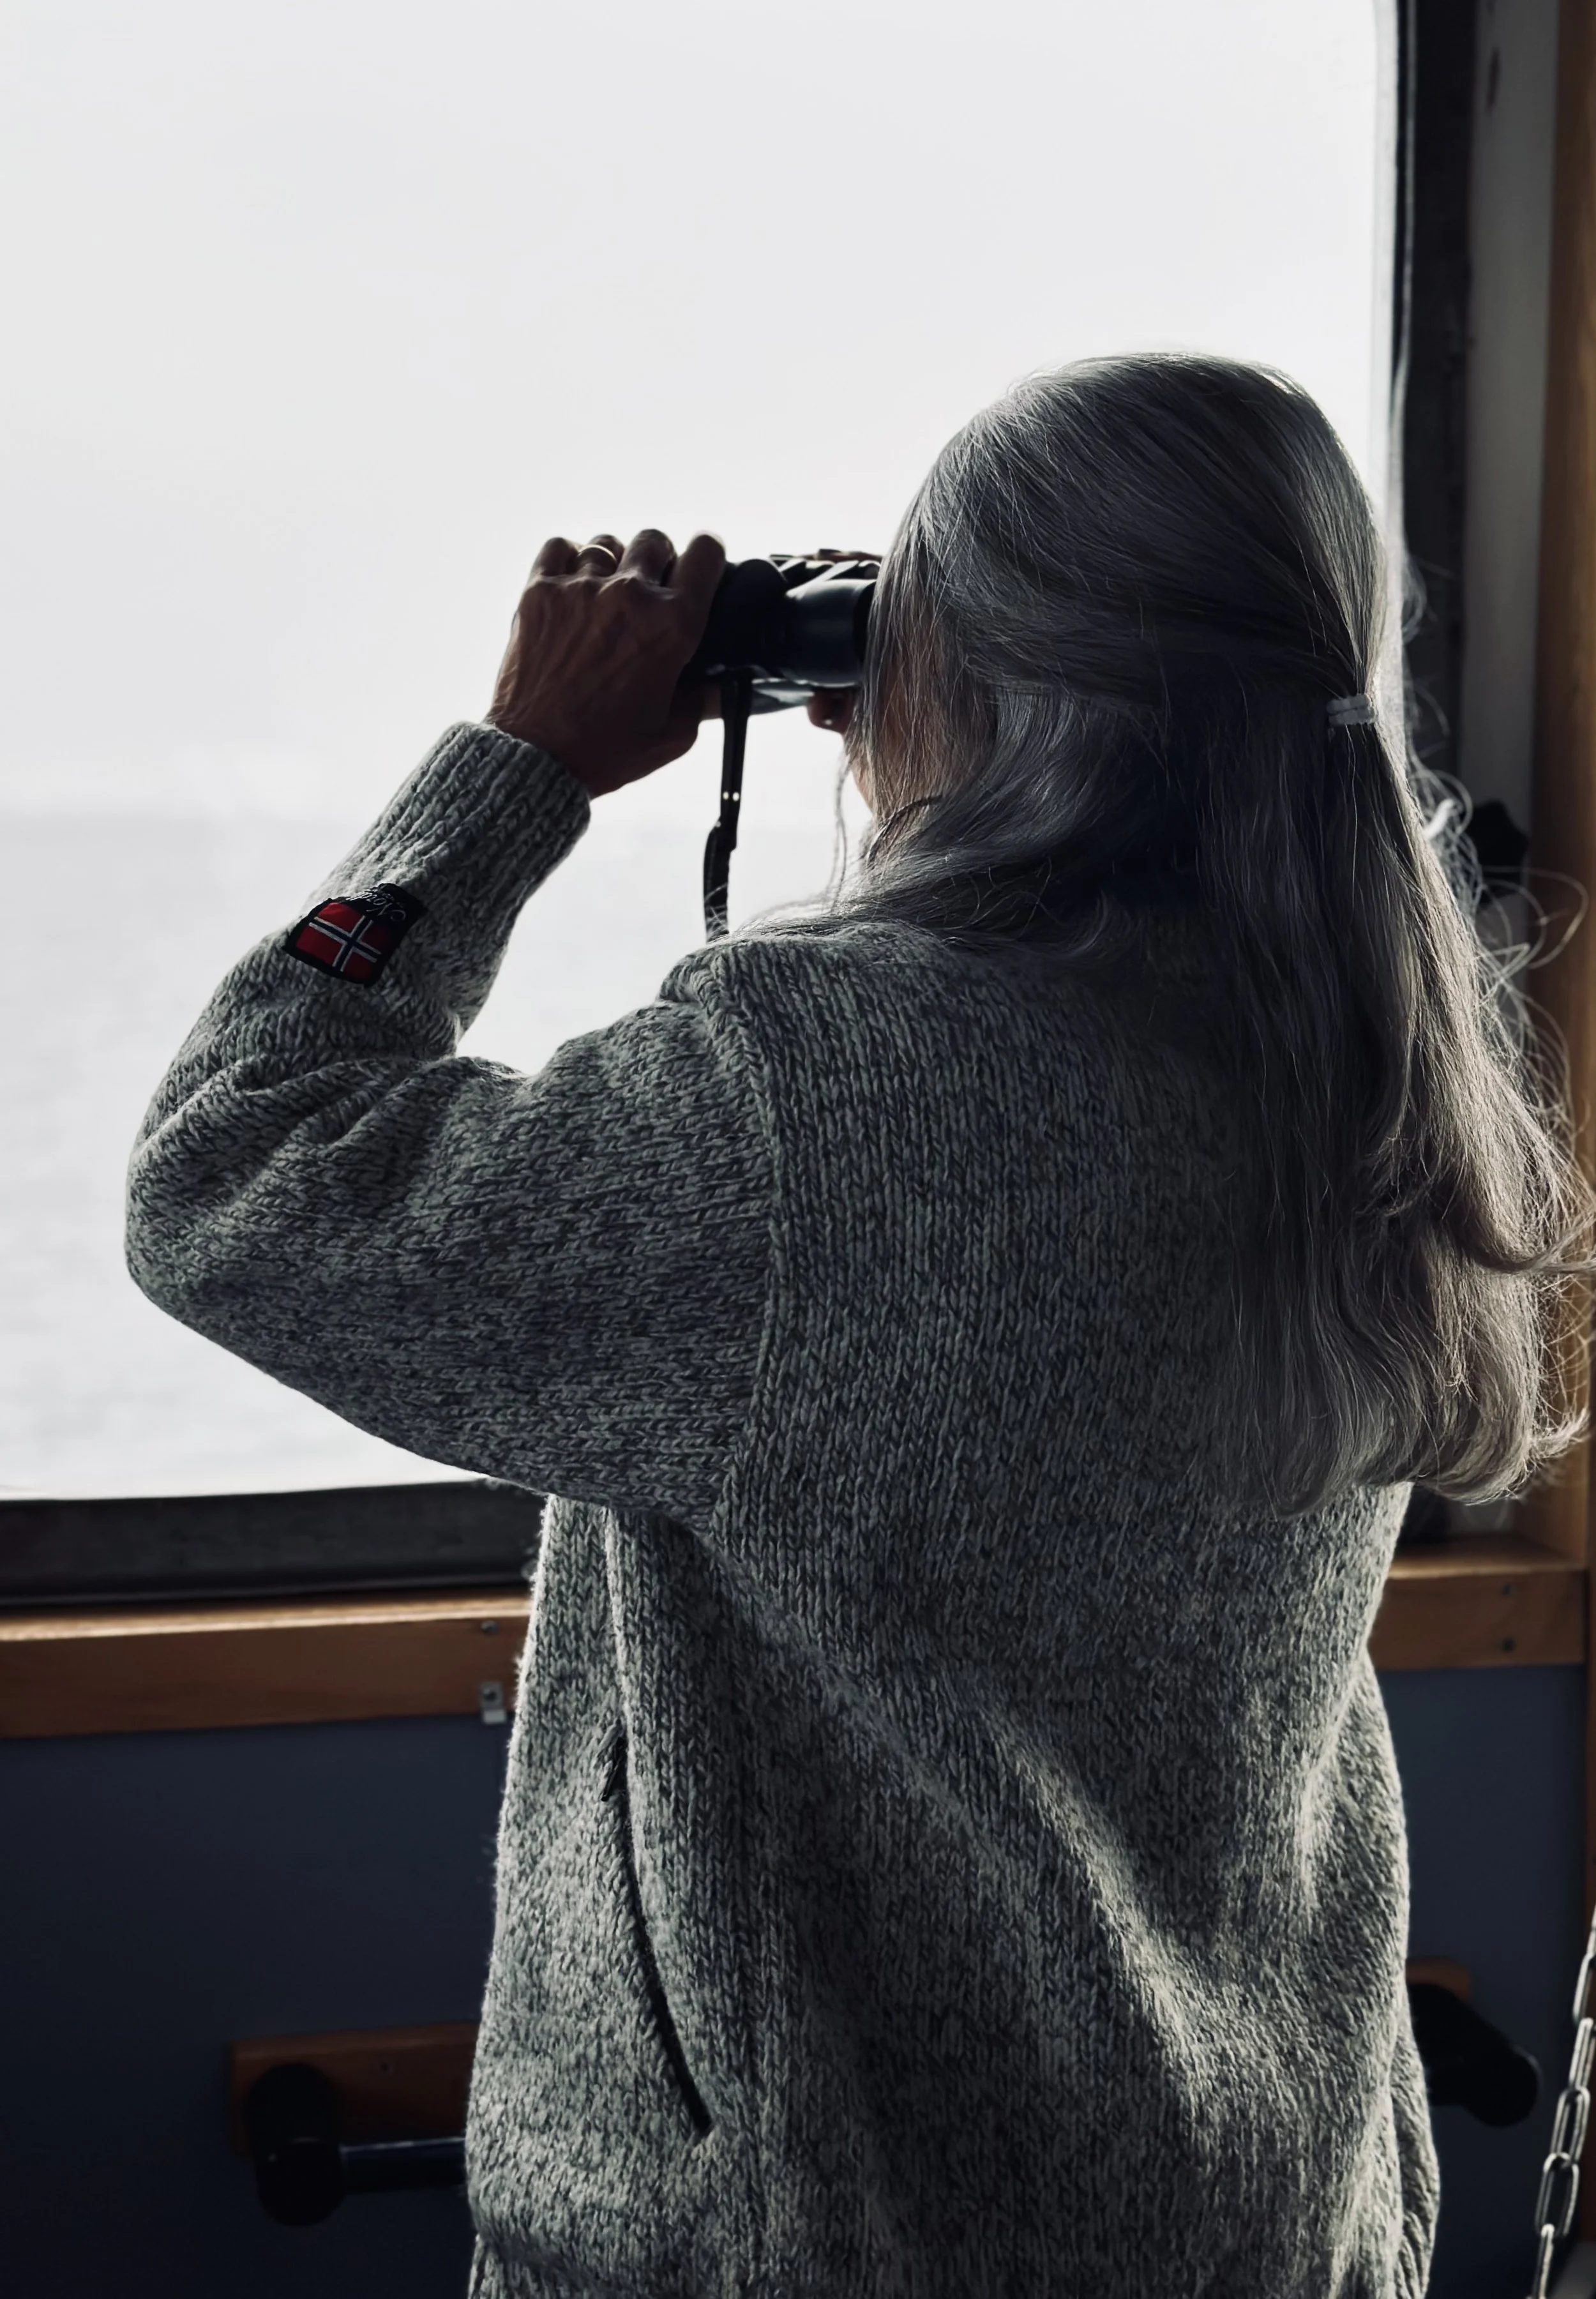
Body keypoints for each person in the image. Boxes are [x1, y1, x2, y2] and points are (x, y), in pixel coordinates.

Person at [125, 354, 1593, 2298]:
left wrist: (517, 765)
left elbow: (230, 1171)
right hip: (1278, 2202)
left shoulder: (809, 1093)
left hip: (831, 2231)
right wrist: (962, 734)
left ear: (960, 671)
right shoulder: (1365, 1064)